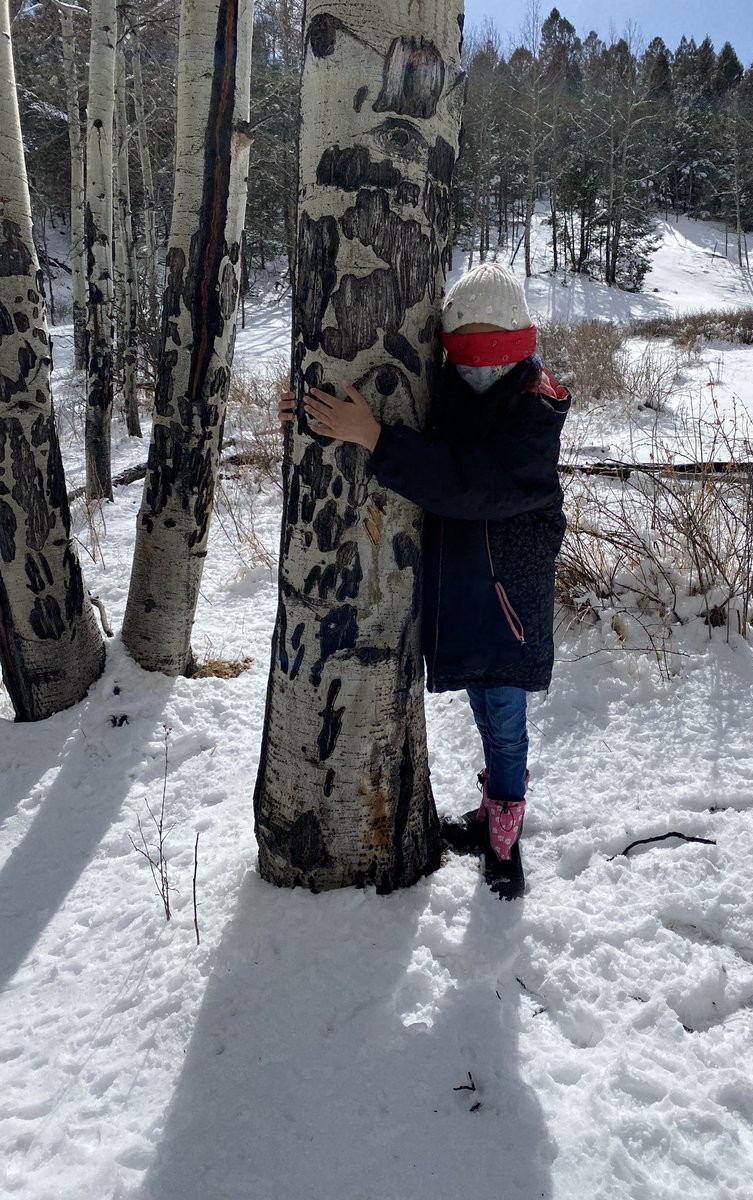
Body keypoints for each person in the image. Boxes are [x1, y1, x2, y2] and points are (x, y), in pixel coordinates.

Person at [279, 263, 569, 899]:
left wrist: (375, 440)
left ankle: (504, 845)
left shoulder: (533, 415)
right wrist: (318, 413)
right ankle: (494, 811)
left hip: (508, 603)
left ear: (523, 342)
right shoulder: (456, 392)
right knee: (485, 713)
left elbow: (467, 483)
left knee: (504, 721)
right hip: (470, 597)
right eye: (465, 354)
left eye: (495, 352)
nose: (478, 368)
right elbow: (401, 415)